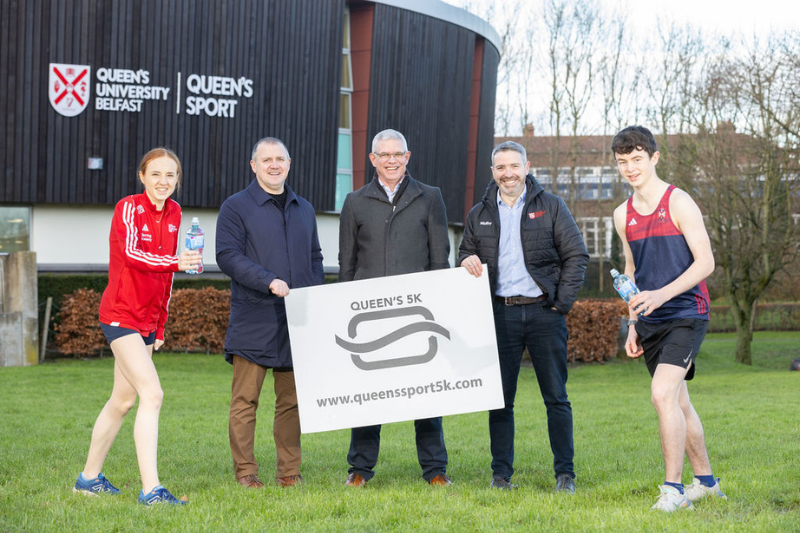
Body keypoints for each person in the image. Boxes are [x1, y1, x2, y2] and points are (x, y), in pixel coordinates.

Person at [73, 148, 201, 506]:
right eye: (156, 174)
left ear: (178, 180)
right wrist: (176, 261)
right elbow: (132, 254)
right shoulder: (128, 207)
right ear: (142, 176)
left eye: (171, 175)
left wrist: (159, 326)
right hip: (120, 314)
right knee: (152, 394)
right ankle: (151, 491)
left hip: (146, 320)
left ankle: (88, 479)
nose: (163, 182)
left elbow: (164, 281)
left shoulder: (175, 213)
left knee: (123, 400)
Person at [458, 141, 588, 493]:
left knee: (556, 397)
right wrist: (465, 259)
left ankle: (565, 474)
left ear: (526, 166)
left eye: (514, 166)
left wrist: (561, 303)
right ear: (493, 172)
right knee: (500, 400)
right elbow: (466, 254)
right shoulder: (479, 213)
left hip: (545, 314)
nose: (508, 173)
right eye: (500, 167)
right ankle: (501, 476)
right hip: (500, 315)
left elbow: (577, 255)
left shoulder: (552, 206)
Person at [611, 125, 724, 512]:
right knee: (678, 402)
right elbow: (630, 272)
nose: (630, 168)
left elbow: (706, 262)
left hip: (687, 313)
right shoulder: (620, 215)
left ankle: (672, 491)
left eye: (637, 159)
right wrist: (632, 324)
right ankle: (707, 484)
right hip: (650, 321)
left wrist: (661, 295)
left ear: (654, 158)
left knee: (662, 395)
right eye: (623, 162)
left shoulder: (679, 202)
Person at [338, 128, 452, 487]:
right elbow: (347, 262)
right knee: (368, 397)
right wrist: (344, 308)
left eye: (397, 154)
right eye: (383, 155)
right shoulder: (355, 201)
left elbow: (440, 258)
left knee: (426, 396)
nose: (391, 160)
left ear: (407, 156)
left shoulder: (430, 197)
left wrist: (440, 307)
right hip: (370, 319)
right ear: (372, 159)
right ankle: (360, 469)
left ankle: (435, 470)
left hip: (418, 316)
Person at [216, 137, 324, 489]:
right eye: (267, 160)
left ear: (289, 164)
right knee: (245, 401)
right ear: (254, 165)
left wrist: (314, 294)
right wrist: (268, 281)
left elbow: (315, 257)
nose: (274, 165)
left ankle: (289, 472)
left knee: (292, 402)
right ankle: (246, 472)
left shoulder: (304, 208)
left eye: (280, 159)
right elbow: (227, 256)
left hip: (297, 321)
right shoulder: (236, 207)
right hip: (254, 317)